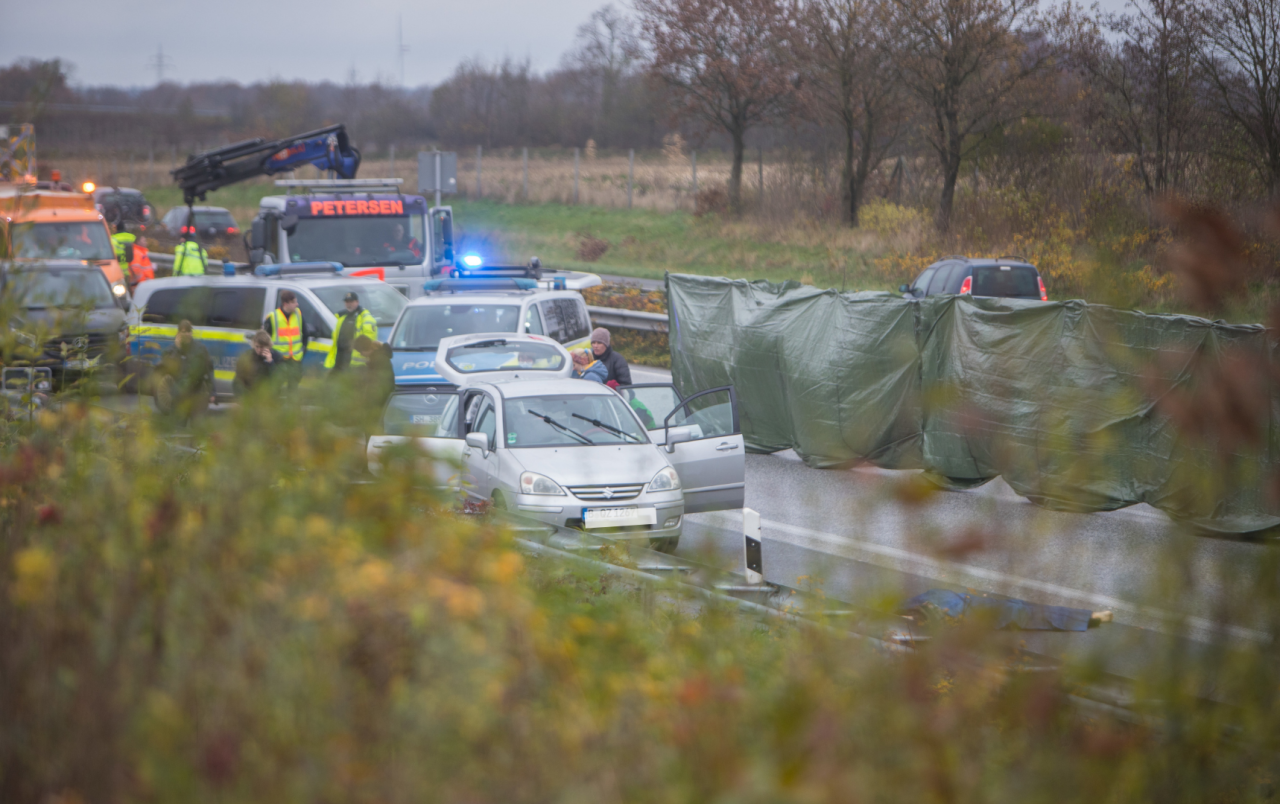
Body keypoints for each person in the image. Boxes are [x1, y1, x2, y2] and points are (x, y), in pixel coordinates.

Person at [155, 320, 215, 421]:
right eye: (184, 332)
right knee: (179, 426)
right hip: (179, 394)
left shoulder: (200, 349)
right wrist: (177, 349)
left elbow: (209, 370)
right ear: (178, 334)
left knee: (196, 425)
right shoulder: (170, 350)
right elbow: (167, 366)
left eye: (189, 331)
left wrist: (213, 392)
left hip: (196, 392)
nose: (187, 334)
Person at [263, 289, 307, 390]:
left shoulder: (298, 314)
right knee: (275, 389)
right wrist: (271, 357)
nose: (297, 304)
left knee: (293, 390)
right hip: (279, 361)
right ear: (286, 303)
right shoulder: (273, 317)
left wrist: (302, 352)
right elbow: (265, 340)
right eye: (294, 302)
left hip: (295, 361)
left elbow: (305, 335)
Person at [325, 291, 378, 372]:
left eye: (351, 301)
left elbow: (368, 341)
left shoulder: (365, 318)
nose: (349, 304)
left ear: (357, 302)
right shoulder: (342, 318)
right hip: (340, 362)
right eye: (347, 302)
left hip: (356, 365)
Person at [234, 330, 282, 396]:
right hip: (251, 396)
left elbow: (278, 380)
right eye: (257, 347)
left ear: (268, 346)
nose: (259, 350)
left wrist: (270, 362)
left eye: (262, 347)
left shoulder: (276, 356)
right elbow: (238, 380)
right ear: (254, 345)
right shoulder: (247, 356)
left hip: (269, 398)